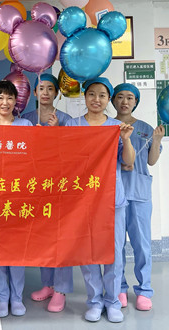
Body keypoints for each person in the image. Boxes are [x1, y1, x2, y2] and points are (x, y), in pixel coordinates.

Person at [65, 77, 135, 323]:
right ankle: (94, 301)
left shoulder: (117, 126)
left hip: (112, 199)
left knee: (114, 252)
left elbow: (128, 161)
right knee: (89, 252)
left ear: (108, 100)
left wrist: (125, 139)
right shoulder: (73, 125)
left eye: (102, 95)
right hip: (83, 200)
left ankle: (113, 301)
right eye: (92, 94)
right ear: (84, 97)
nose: (96, 99)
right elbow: (65, 160)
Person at [112, 83, 164, 312]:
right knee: (116, 246)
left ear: (136, 102)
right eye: (120, 97)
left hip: (139, 193)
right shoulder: (107, 126)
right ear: (113, 100)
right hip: (114, 193)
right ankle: (119, 288)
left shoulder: (145, 128)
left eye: (130, 98)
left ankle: (144, 290)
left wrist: (157, 140)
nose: (125, 101)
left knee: (142, 244)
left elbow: (151, 161)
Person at [24, 73, 73, 312]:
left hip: (60, 187)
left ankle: (61, 289)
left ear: (57, 93)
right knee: (43, 238)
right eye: (41, 88)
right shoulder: (25, 120)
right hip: (36, 187)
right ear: (34, 92)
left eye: (50, 89)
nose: (45, 93)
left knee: (61, 239)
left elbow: (74, 154)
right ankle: (48, 284)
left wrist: (56, 132)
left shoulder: (66, 120)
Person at [0, 80, 32, 318]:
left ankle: (17, 298)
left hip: (19, 197)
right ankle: (1, 298)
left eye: (10, 98)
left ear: (16, 101)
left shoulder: (26, 125)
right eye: (0, 97)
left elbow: (37, 158)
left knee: (17, 251)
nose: (5, 102)